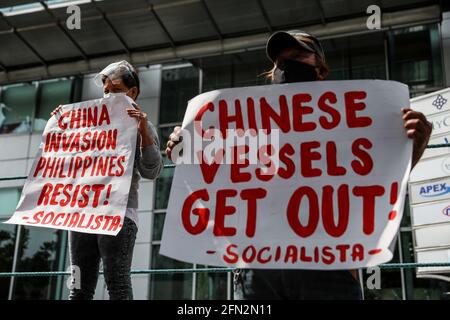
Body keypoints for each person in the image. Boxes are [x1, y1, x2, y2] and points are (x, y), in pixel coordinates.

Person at [165, 30, 432, 300]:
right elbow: (217, 174)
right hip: (257, 269)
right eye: (279, 62)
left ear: (321, 69)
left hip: (327, 268)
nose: (285, 65)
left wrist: (413, 146)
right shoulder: (250, 122)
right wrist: (182, 147)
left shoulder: (350, 125)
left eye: (298, 56)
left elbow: (380, 180)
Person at [51, 60, 163, 300]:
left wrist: (143, 131)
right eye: (106, 91)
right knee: (79, 288)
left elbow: (151, 172)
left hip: (118, 215)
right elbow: (65, 163)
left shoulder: (143, 126)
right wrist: (60, 126)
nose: (109, 96)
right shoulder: (87, 126)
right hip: (82, 213)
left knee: (118, 284)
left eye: (117, 91)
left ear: (133, 92)